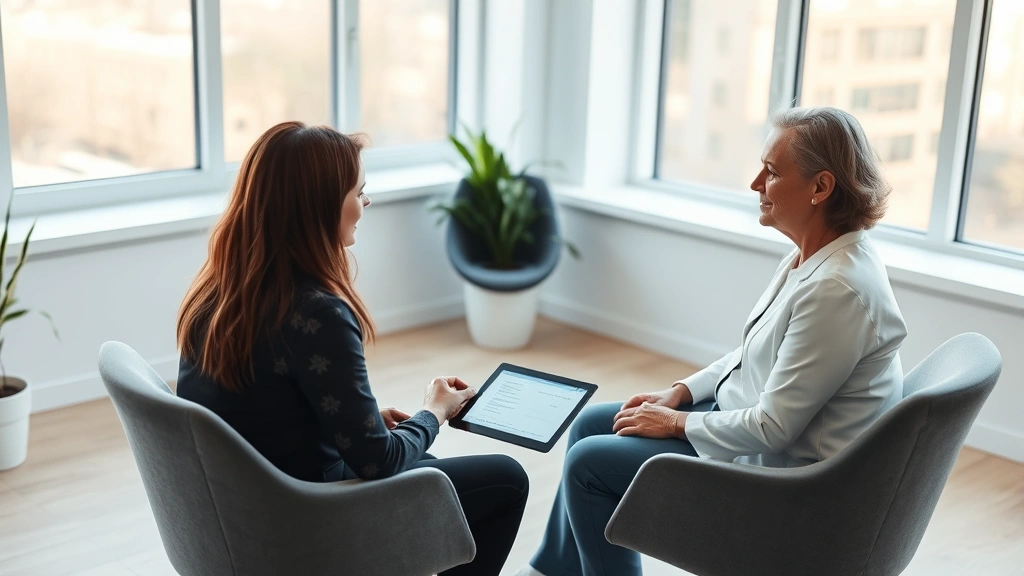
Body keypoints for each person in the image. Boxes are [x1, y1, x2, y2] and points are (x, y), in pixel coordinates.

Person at [515, 106, 908, 576]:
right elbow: (752, 354)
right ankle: (551, 571)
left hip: (780, 479)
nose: (755, 183)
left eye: (772, 172)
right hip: (739, 423)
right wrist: (680, 394)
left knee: (589, 464)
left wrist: (675, 424)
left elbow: (773, 429)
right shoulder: (813, 256)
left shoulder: (838, 290)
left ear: (821, 188)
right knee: (592, 424)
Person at [176, 121, 528, 576]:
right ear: (320, 206)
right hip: (306, 518)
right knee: (506, 478)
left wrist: (347, 424)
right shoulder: (315, 312)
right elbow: (376, 462)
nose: (366, 202)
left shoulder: (217, 292)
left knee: (430, 467)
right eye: (358, 191)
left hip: (245, 507)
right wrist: (434, 411)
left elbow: (259, 405)